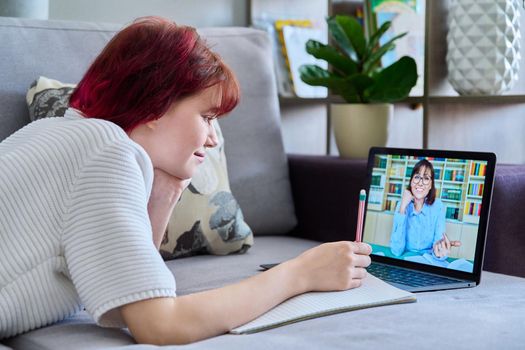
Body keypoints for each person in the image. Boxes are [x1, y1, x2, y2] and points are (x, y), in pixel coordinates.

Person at [0, 17, 372, 345]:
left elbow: (128, 290)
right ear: (155, 105)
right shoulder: (106, 150)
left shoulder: (51, 131)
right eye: (207, 117)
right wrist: (301, 273)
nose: (213, 139)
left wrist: (166, 192)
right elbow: (159, 324)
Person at [390, 159, 461, 260]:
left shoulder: (438, 206)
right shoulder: (401, 205)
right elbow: (396, 251)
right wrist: (402, 208)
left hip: (428, 260)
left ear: (431, 185)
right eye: (417, 177)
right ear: (411, 182)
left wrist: (440, 252)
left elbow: (439, 247)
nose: (420, 183)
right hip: (406, 259)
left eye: (426, 178)